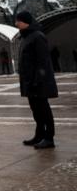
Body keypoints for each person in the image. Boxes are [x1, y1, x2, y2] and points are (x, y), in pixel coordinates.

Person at [15, 11, 58, 150]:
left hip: (39, 82)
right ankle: (39, 135)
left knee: (44, 110)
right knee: (36, 111)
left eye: (19, 21)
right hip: (29, 82)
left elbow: (43, 61)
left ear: (26, 22)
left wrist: (37, 80)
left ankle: (49, 138)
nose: (16, 24)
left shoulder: (37, 36)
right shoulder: (25, 37)